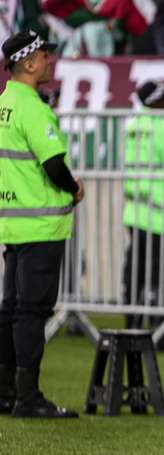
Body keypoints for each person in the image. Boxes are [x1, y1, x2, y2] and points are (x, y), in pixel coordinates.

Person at [0, 30, 84, 418]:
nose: (50, 60)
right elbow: (52, 164)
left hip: (13, 225)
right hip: (40, 225)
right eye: (45, 55)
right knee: (32, 312)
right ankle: (28, 397)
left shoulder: (5, 103)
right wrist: (73, 189)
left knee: (12, 310)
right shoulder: (32, 108)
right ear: (29, 62)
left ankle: (6, 391)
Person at [121, 80, 164, 336]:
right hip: (161, 214)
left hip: (135, 212)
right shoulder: (161, 127)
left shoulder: (132, 126)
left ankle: (132, 319)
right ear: (153, 101)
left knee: (135, 268)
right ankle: (160, 323)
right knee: (162, 272)